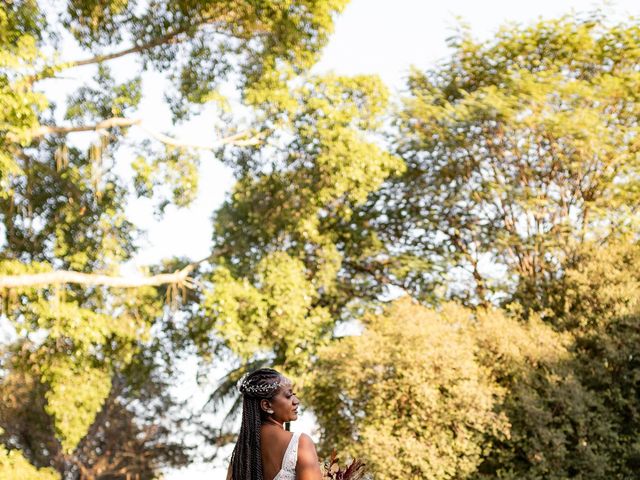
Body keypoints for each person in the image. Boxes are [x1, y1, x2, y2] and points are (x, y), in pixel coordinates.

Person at [226, 368, 323, 480]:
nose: (296, 401)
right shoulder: (301, 443)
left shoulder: (241, 456)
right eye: (288, 395)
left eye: (294, 394)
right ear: (267, 406)